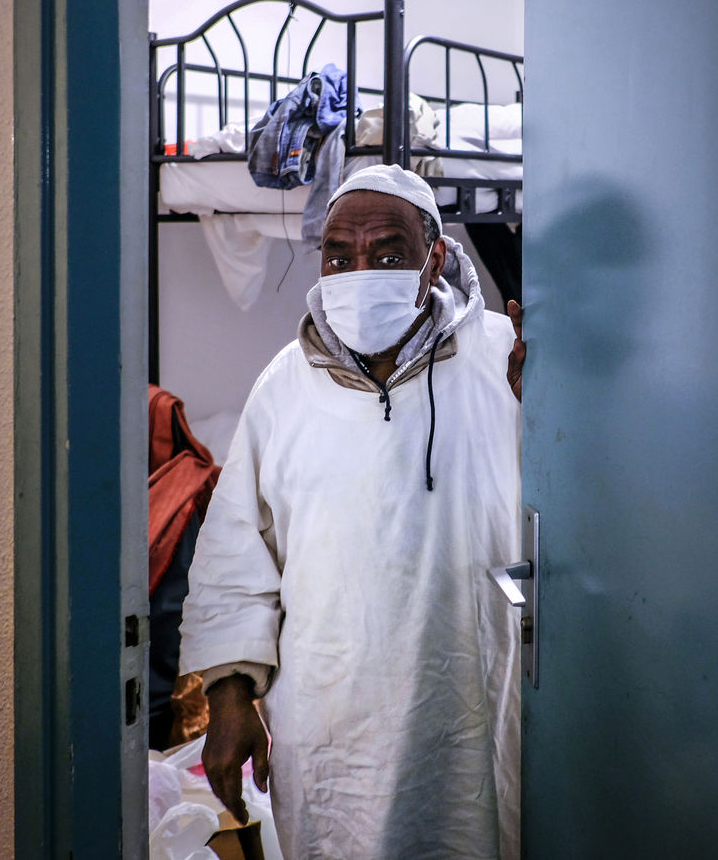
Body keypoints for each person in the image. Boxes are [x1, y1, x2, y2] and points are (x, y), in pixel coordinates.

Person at [179, 164, 526, 859]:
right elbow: (233, 558)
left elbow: (592, 506)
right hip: (331, 723)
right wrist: (229, 698)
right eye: (339, 256)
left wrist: (558, 405)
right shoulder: (284, 387)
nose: (359, 272)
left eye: (389, 255)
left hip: (468, 705)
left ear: (434, 258)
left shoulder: (502, 360)